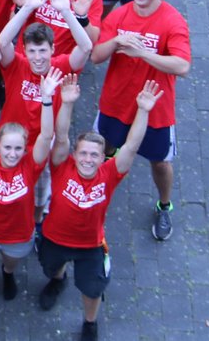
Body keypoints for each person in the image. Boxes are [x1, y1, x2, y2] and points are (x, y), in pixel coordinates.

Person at [37, 79, 161, 341]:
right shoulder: (61, 166)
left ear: (103, 157)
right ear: (74, 155)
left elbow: (131, 146)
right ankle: (58, 280)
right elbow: (61, 136)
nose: (88, 159)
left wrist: (143, 111)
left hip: (91, 245)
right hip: (54, 238)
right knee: (51, 267)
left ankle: (90, 323)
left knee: (93, 289)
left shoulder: (109, 173)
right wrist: (66, 103)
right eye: (83, 153)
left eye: (94, 155)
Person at [91, 0, 191, 241]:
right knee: (105, 146)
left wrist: (143, 53)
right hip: (115, 103)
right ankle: (97, 185)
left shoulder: (172, 20)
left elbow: (182, 66)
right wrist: (115, 42)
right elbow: (96, 57)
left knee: (160, 163)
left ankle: (164, 205)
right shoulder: (118, 17)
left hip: (155, 110)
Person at [0, 66, 60, 327]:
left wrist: (47, 99)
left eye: (18, 148)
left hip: (18, 236)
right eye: (7, 147)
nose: (12, 153)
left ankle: (7, 274)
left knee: (10, 263)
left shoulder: (30, 165)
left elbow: (46, 136)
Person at [0, 0, 92, 226]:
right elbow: (3, 42)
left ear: (52, 49)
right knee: (5, 185)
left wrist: (67, 12)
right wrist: (27, 8)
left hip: (43, 143)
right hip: (11, 140)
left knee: (40, 191)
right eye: (32, 51)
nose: (37, 58)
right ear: (25, 51)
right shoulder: (16, 65)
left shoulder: (61, 66)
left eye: (42, 51)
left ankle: (37, 221)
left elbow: (86, 47)